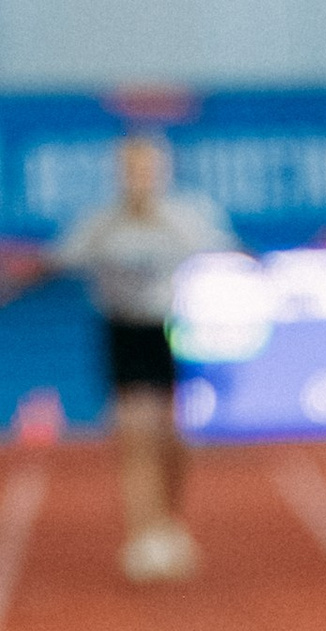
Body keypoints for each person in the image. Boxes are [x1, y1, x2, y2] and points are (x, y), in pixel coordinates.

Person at [0, 133, 235, 583]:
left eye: (149, 169)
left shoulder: (184, 216)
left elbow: (227, 248)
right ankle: (142, 535)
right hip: (120, 331)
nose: (141, 179)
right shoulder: (100, 223)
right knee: (133, 433)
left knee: (168, 437)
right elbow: (53, 262)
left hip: (165, 331)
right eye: (132, 170)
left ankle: (169, 522)